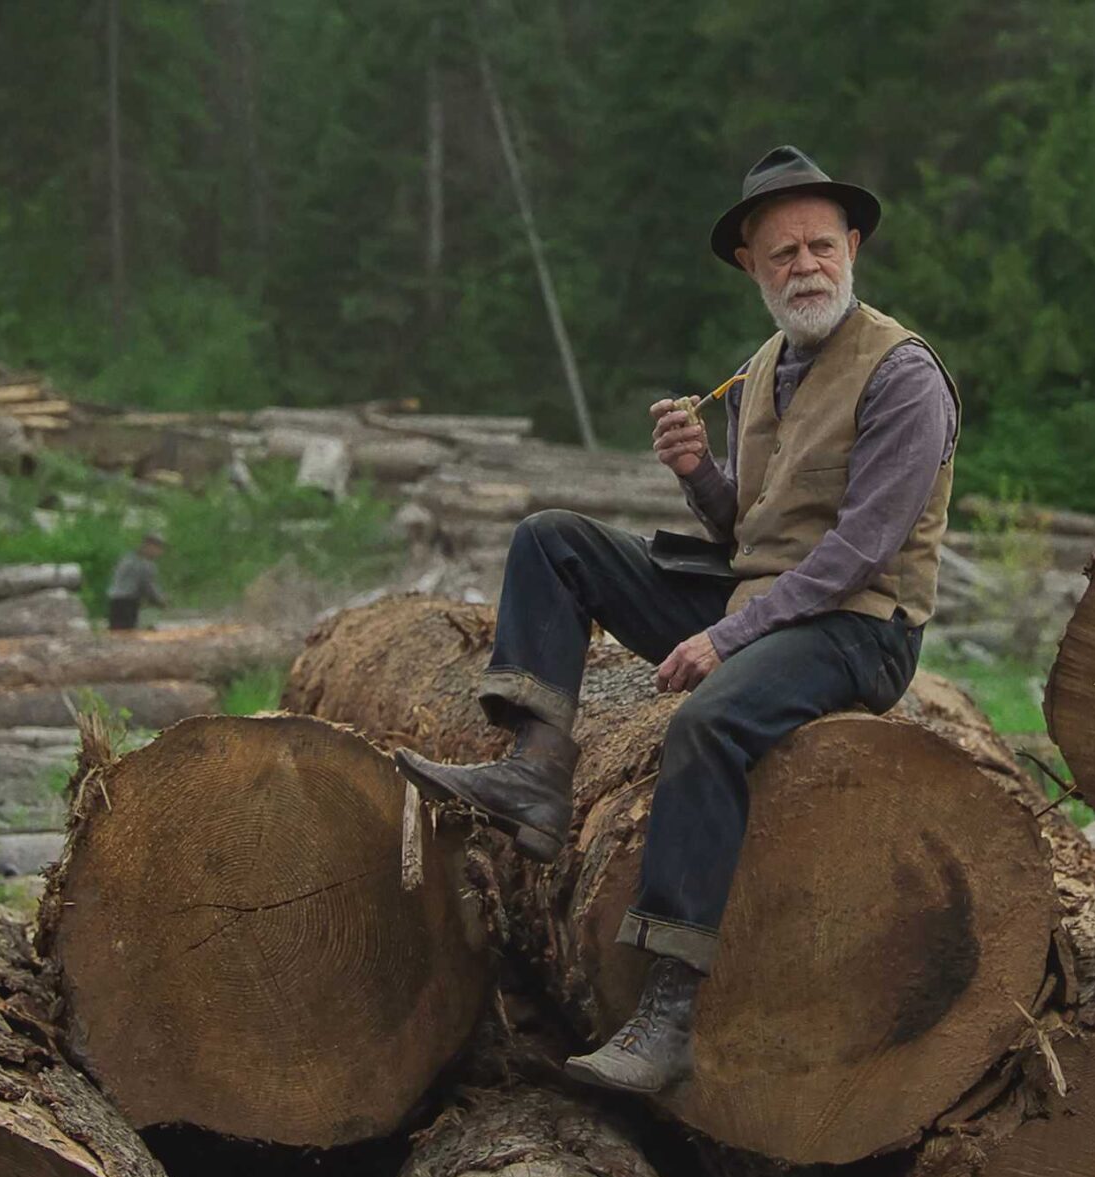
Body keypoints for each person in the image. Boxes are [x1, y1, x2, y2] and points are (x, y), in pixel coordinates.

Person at [393, 145, 957, 1095]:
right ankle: (537, 774)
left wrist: (726, 638)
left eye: (821, 246)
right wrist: (699, 473)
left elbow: (860, 551)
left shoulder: (903, 375)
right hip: (765, 600)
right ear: (750, 266)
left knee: (707, 723)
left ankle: (669, 1012)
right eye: (783, 254)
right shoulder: (764, 369)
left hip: (859, 626)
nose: (806, 267)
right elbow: (753, 530)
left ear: (853, 247)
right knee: (554, 540)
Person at [107, 533, 167, 631]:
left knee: (116, 632)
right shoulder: (145, 564)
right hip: (127, 604)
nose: (159, 553)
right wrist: (161, 601)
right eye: (158, 548)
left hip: (114, 602)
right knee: (127, 633)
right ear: (149, 546)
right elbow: (148, 587)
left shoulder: (127, 557)